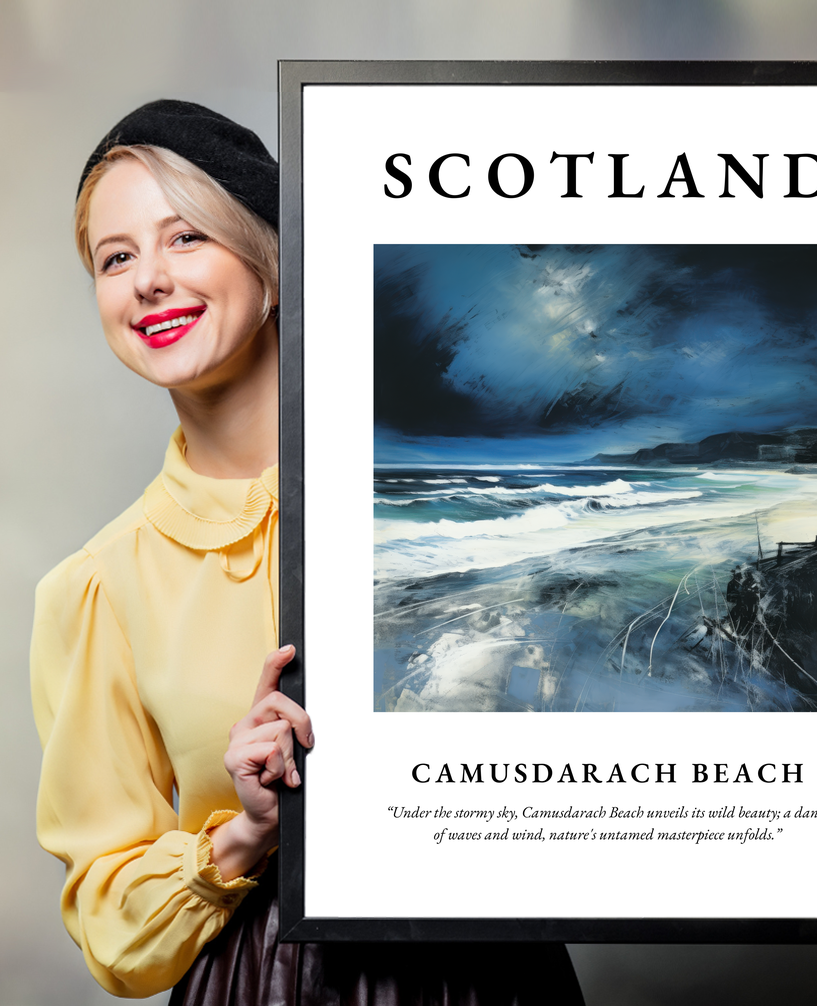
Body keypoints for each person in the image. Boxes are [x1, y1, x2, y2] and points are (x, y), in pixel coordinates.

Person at [30, 100, 585, 1004]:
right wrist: (245, 832)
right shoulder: (98, 586)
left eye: (186, 239)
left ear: (274, 264)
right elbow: (110, 924)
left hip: (493, 972)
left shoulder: (465, 508)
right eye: (116, 257)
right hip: (264, 981)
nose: (148, 281)